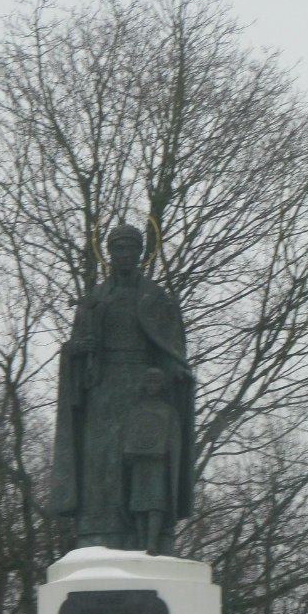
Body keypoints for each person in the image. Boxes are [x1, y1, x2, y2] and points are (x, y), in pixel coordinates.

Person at [51, 223, 194, 553]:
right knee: (100, 460)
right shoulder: (94, 301)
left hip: (142, 393)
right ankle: (98, 531)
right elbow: (74, 350)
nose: (126, 255)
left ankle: (147, 534)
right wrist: (77, 350)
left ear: (141, 254)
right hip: (101, 390)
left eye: (132, 249)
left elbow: (169, 350)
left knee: (143, 463)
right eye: (119, 249)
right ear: (110, 254)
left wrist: (176, 372)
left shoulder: (157, 300)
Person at [123, 368, 182, 555]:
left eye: (156, 381)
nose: (152, 385)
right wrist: (129, 451)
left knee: (155, 505)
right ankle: (141, 542)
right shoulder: (136, 408)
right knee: (139, 505)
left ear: (161, 385)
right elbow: (129, 433)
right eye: (148, 381)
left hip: (158, 464)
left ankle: (152, 543)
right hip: (140, 464)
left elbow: (174, 437)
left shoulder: (167, 409)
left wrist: (165, 450)